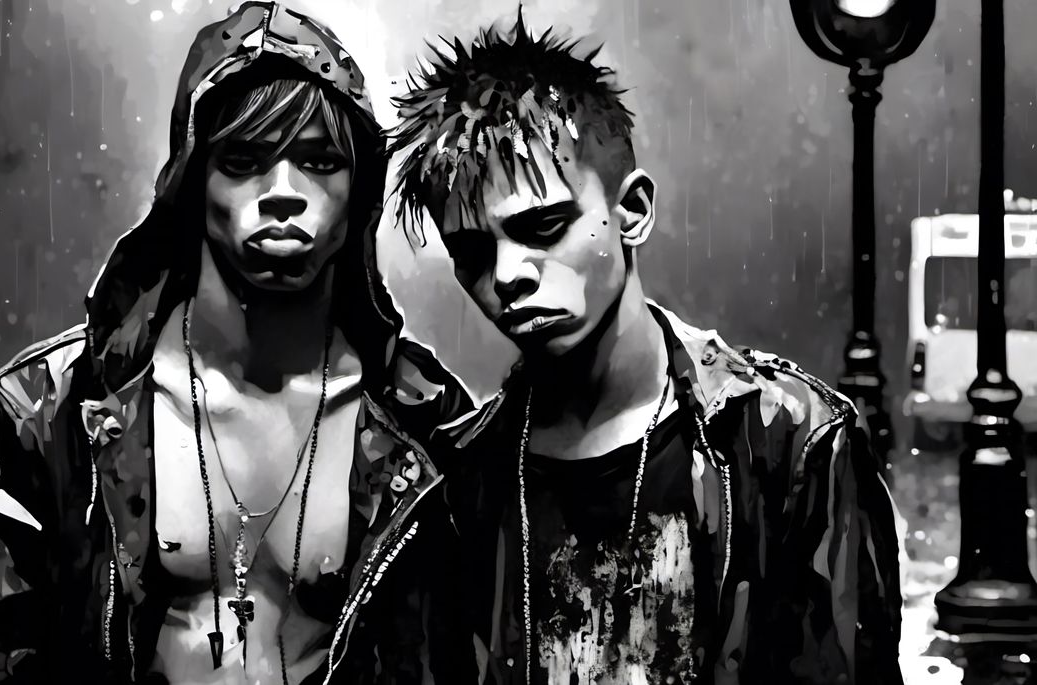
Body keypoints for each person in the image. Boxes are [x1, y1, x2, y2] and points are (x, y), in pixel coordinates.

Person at [0, 3, 469, 683]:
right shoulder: (45, 412)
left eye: (319, 160)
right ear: (191, 179)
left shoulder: (426, 421)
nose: (283, 193)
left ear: (359, 190)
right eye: (242, 160)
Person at [380, 14, 904, 685]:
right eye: (474, 252)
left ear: (632, 211)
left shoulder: (791, 444)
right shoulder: (457, 482)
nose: (508, 275)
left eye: (543, 227)